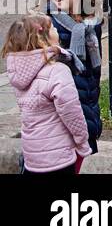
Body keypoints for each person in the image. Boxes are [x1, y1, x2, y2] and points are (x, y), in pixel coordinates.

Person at [3, 15, 91, 175]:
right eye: (53, 28)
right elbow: (72, 113)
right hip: (59, 156)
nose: (57, 29)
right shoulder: (57, 70)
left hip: (32, 155)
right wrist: (82, 142)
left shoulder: (18, 74)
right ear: (43, 39)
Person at [45, 0, 102, 157]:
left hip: (87, 103)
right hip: (60, 114)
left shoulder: (90, 24)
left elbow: (93, 72)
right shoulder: (47, 26)